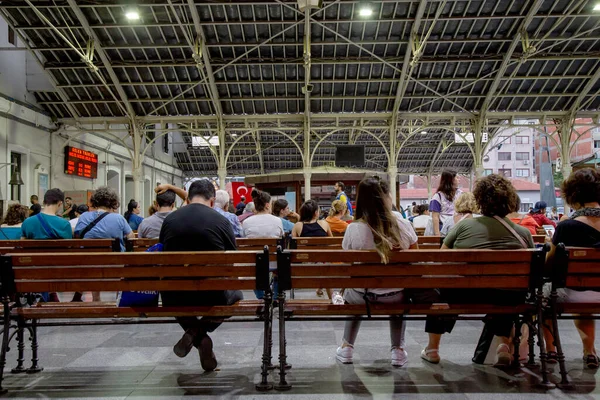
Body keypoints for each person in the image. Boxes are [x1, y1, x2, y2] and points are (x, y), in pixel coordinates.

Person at [336, 177, 451, 367]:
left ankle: (347, 347)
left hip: (360, 296)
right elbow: (417, 260)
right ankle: (397, 350)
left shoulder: (353, 229)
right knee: (400, 293)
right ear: (386, 197)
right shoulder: (403, 224)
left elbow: (348, 263)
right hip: (394, 296)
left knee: (353, 289)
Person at [441, 174, 534, 367]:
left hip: (466, 294)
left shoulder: (463, 226)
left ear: (480, 200)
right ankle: (503, 346)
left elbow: (443, 259)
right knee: (507, 292)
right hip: (509, 296)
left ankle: (432, 348)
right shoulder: (523, 234)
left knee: (442, 290)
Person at [159, 180, 243, 372]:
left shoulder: (170, 220)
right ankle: (198, 332)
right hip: (212, 293)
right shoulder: (221, 220)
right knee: (236, 298)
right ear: (212, 201)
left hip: (175, 294)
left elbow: (163, 250)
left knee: (171, 295)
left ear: (187, 199)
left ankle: (195, 334)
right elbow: (233, 255)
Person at [544, 168, 600, 368]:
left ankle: (551, 351)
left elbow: (549, 265)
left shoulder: (567, 227)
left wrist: (551, 243)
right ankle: (589, 351)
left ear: (572, 196)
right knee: (586, 292)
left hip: (573, 292)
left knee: (542, 295)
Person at [21, 188, 74, 302]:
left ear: (44, 202)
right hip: (57, 268)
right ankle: (50, 292)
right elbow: (69, 250)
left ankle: (46, 294)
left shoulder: (28, 222)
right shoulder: (64, 224)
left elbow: (22, 246)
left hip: (33, 267)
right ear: (60, 203)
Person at [429, 170, 461, 236]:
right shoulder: (438, 196)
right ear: (451, 180)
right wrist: (437, 234)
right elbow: (435, 216)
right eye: (457, 177)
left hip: (458, 226)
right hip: (443, 228)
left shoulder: (461, 194)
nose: (459, 179)